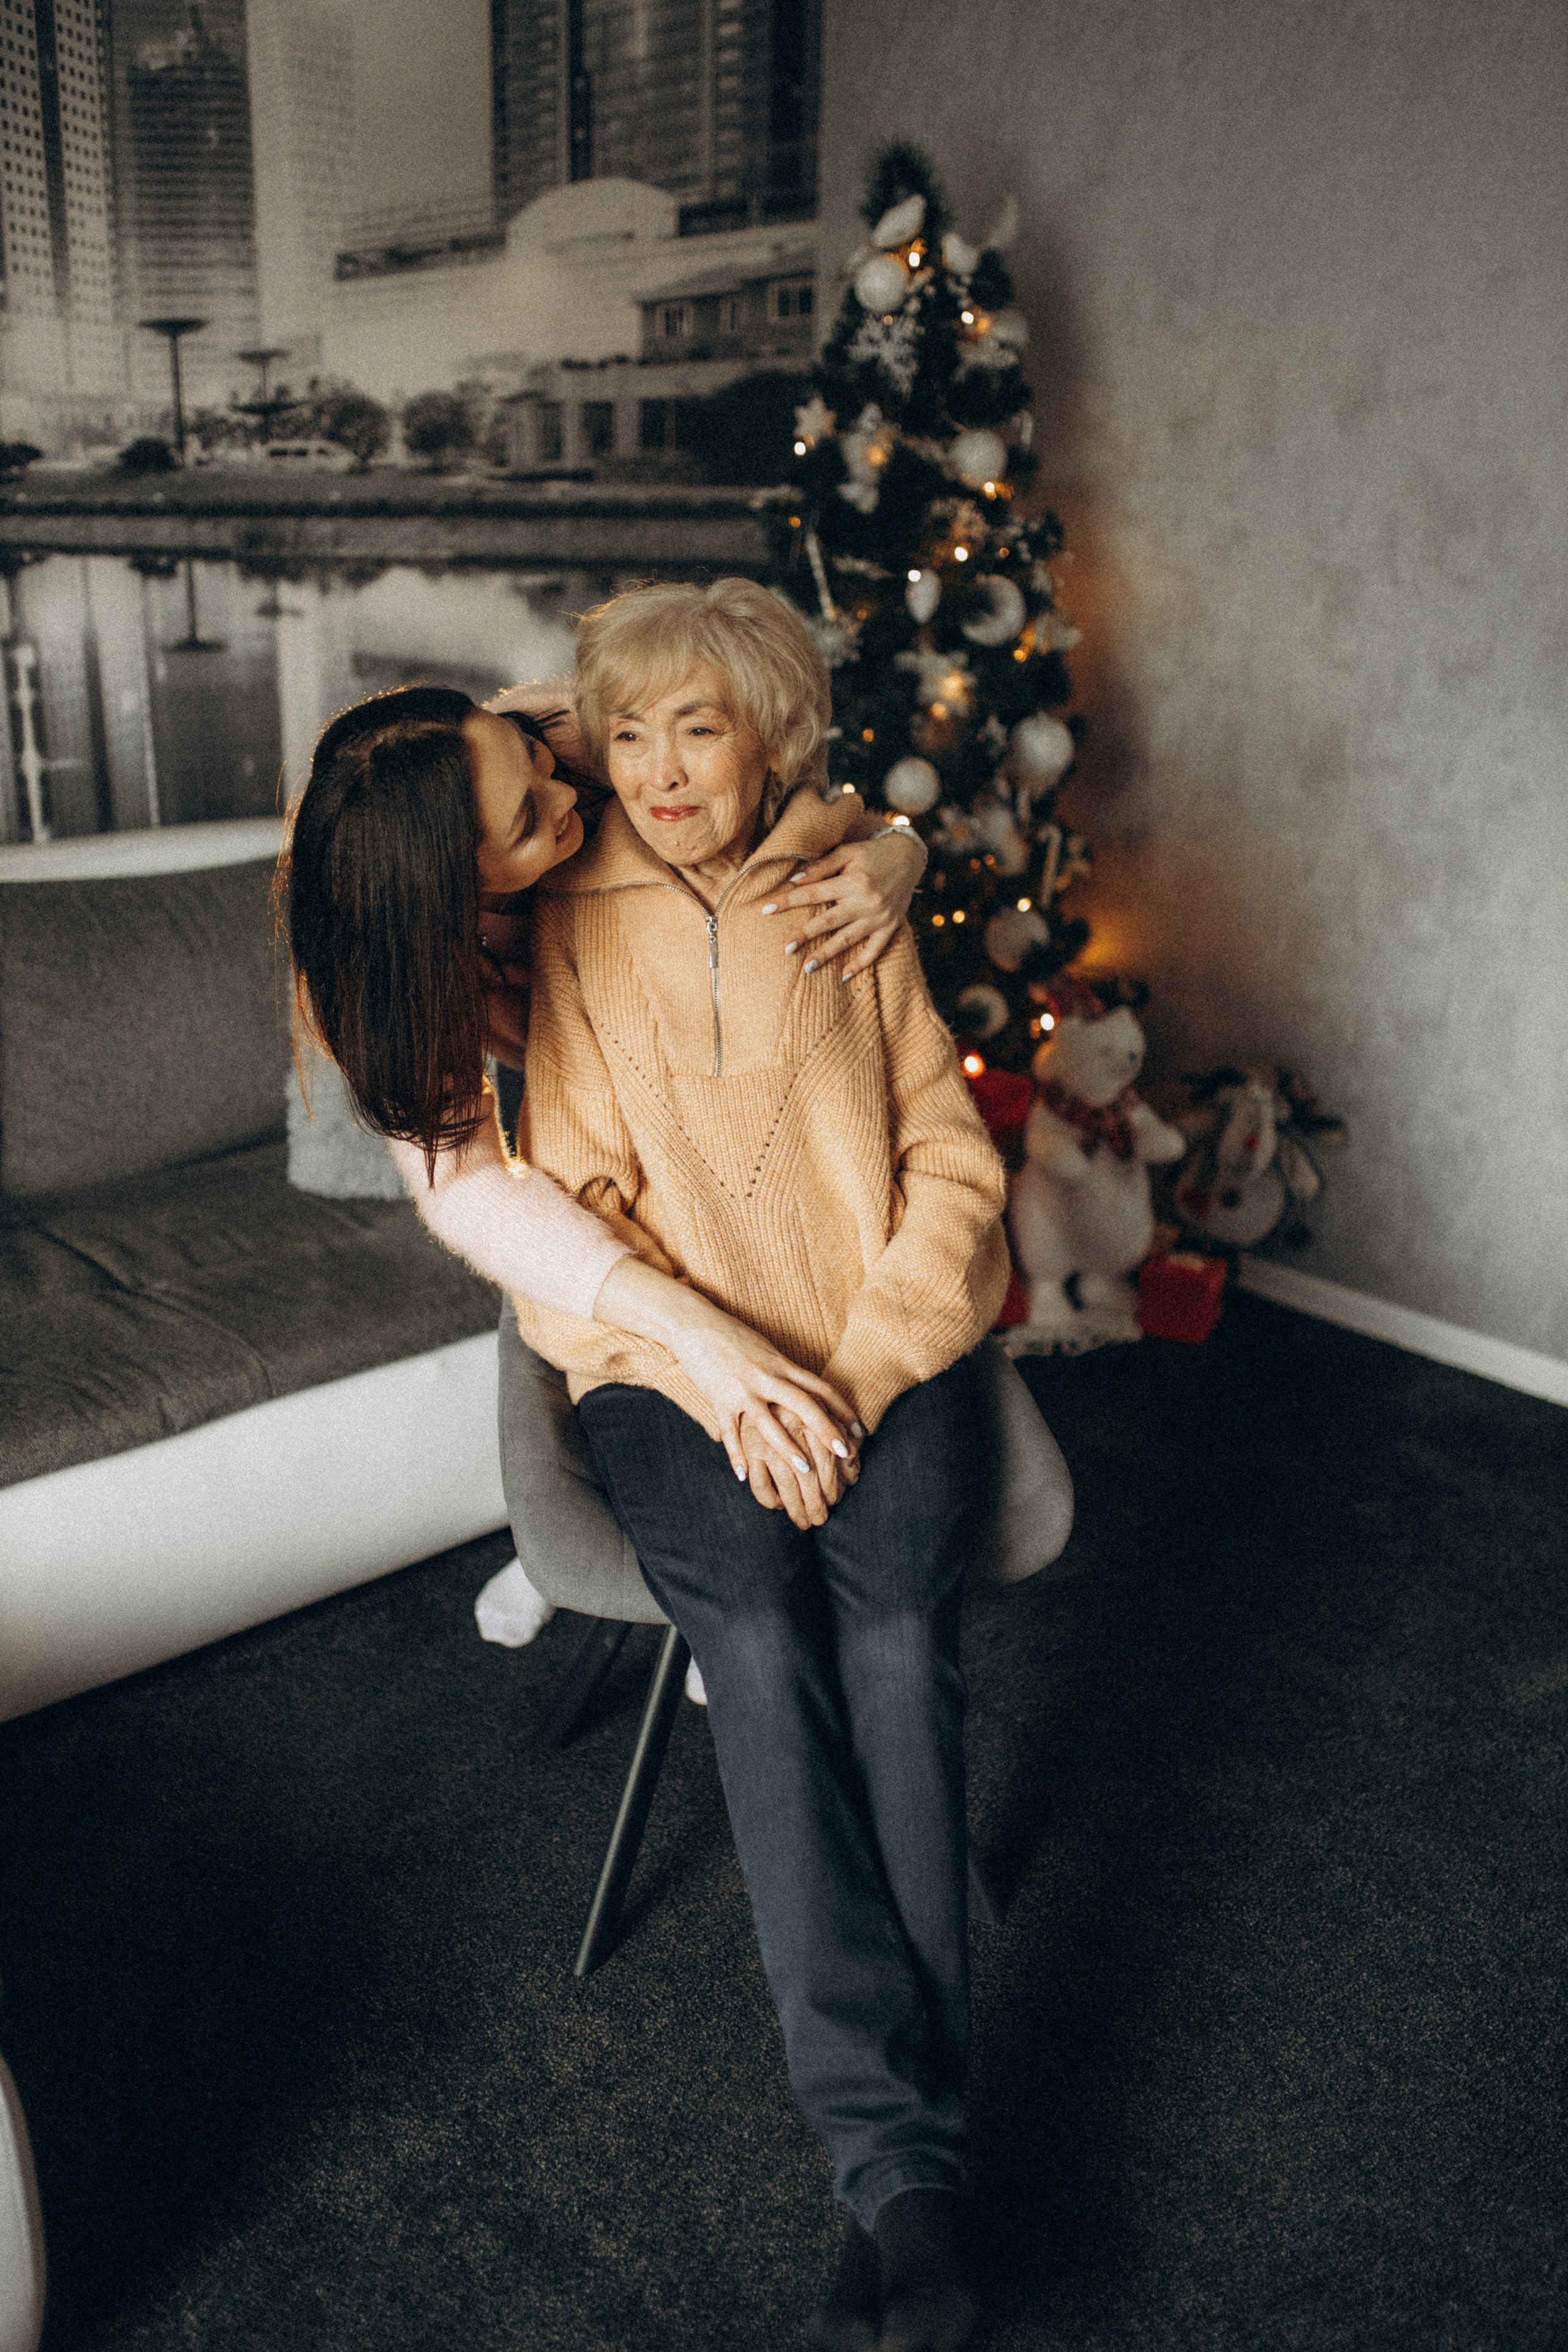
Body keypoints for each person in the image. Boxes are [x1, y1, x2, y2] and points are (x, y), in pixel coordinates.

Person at [510, 578, 1016, 2352]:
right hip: (670, 1379)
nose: (656, 767)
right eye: (626, 731)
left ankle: (907, 2182)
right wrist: (727, 1389)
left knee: (894, 1644)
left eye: (698, 726)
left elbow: (953, 1161)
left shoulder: (849, 892)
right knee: (764, 1640)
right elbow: (572, 1220)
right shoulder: (568, 923)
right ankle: (907, 2172)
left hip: (883, 1356)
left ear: (774, 736)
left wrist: (861, 1373)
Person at [282, 673, 930, 1501]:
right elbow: (468, 1186)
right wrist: (699, 1337)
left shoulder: (580, 730)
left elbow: (822, 819)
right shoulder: (389, 973)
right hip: (584, 1098)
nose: (565, 795)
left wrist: (899, 855)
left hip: (745, 1094)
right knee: (596, 1286)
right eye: (527, 821)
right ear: (455, 894)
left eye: (532, 757)